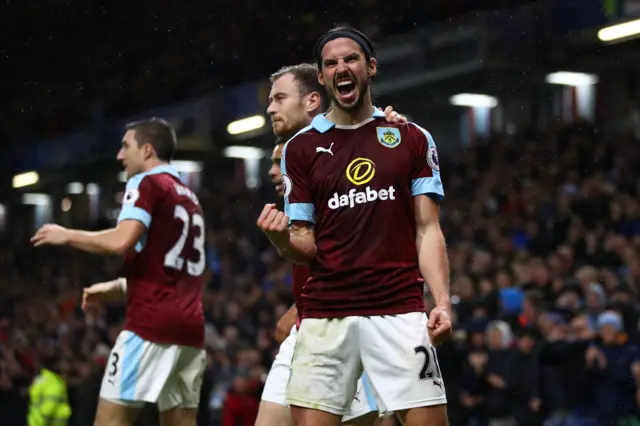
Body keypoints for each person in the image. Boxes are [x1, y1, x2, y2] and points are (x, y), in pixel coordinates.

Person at [256, 25, 451, 426]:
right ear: (323, 78)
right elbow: (305, 245)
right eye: (331, 63)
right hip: (326, 316)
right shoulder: (301, 149)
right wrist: (281, 241)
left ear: (371, 67)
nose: (341, 67)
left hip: (398, 311)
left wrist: (443, 301)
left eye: (351, 59)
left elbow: (427, 229)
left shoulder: (411, 137)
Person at [31, 118, 207, 426]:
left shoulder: (147, 183)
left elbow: (120, 239)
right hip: (191, 330)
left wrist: (67, 234)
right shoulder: (190, 198)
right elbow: (176, 272)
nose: (119, 155)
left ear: (148, 150)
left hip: (149, 325)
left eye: (126, 146)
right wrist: (120, 286)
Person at [259, 63, 405, 426]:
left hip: (355, 319)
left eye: (279, 98)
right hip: (313, 323)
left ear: (312, 100)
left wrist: (392, 129)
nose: (270, 108)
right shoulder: (299, 157)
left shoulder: (360, 143)